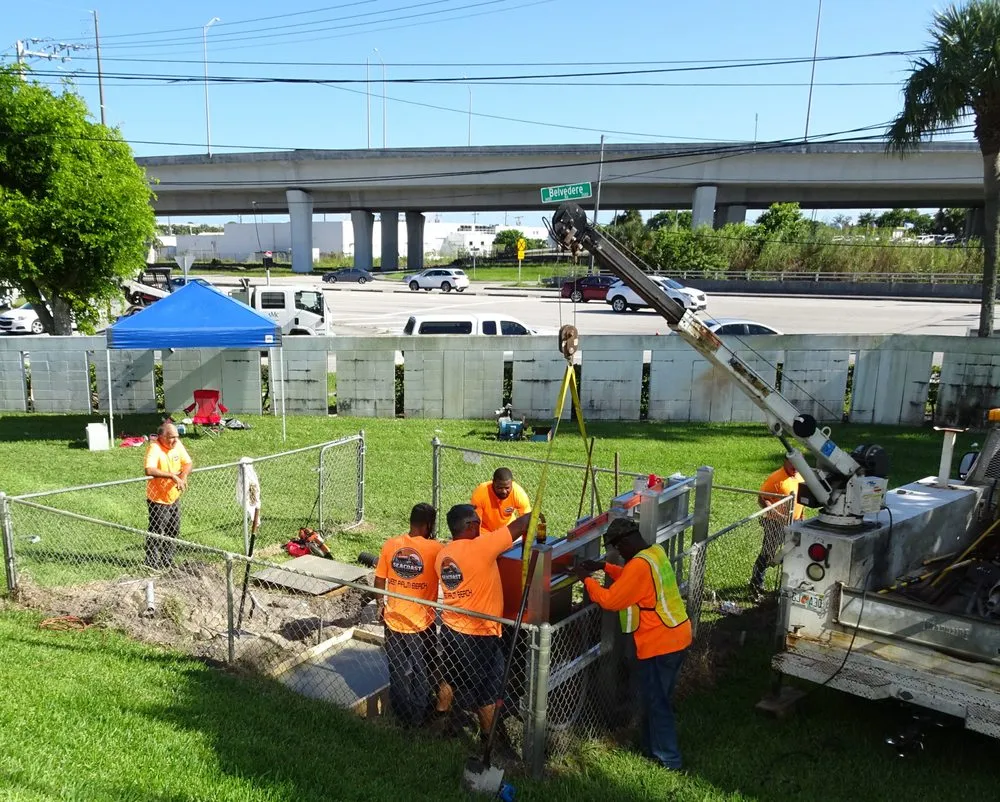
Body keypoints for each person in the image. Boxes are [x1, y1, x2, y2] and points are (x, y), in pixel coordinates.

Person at [573, 517, 692, 772]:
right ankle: (653, 750)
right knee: (656, 699)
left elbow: (610, 600)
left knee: (657, 704)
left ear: (626, 541)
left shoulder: (639, 565)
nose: (619, 553)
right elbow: (632, 579)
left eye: (617, 548)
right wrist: (604, 566)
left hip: (659, 644)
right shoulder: (654, 553)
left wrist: (586, 578)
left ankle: (669, 760)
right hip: (677, 636)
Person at [434, 503, 536, 742]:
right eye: (478, 523)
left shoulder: (443, 555)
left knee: (451, 677)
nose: (480, 527)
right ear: (469, 526)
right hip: (480, 635)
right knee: (488, 691)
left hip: (451, 630)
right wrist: (535, 513)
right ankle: (492, 740)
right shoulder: (481, 547)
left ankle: (440, 721)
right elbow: (521, 524)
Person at [374, 503, 441, 727]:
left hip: (392, 620)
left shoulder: (391, 544)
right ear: (428, 525)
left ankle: (401, 715)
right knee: (423, 669)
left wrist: (380, 605)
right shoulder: (435, 550)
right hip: (422, 624)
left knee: (397, 670)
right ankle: (418, 716)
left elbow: (379, 579)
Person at [750, 456, 804, 601]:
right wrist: (776, 513)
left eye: (798, 465)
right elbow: (762, 498)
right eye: (793, 464)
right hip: (775, 524)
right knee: (767, 554)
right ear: (785, 462)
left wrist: (802, 516)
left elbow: (800, 499)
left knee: (792, 554)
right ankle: (756, 585)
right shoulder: (776, 478)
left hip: (796, 522)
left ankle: (787, 587)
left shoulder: (799, 476)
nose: (795, 468)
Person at [143, 421, 193, 569]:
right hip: (157, 498)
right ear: (161, 436)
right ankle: (151, 562)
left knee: (174, 529)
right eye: (171, 437)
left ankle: (167, 560)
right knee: (157, 530)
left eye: (177, 436)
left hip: (174, 496)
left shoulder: (177, 445)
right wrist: (171, 476)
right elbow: (149, 470)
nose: (175, 440)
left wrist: (182, 476)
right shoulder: (154, 448)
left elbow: (188, 463)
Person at [470, 467, 531, 533]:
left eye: (507, 488)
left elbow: (527, 519)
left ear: (511, 483)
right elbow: (475, 522)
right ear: (493, 483)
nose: (504, 491)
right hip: (485, 532)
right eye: (500, 488)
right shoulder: (481, 492)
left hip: (509, 529)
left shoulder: (518, 493)